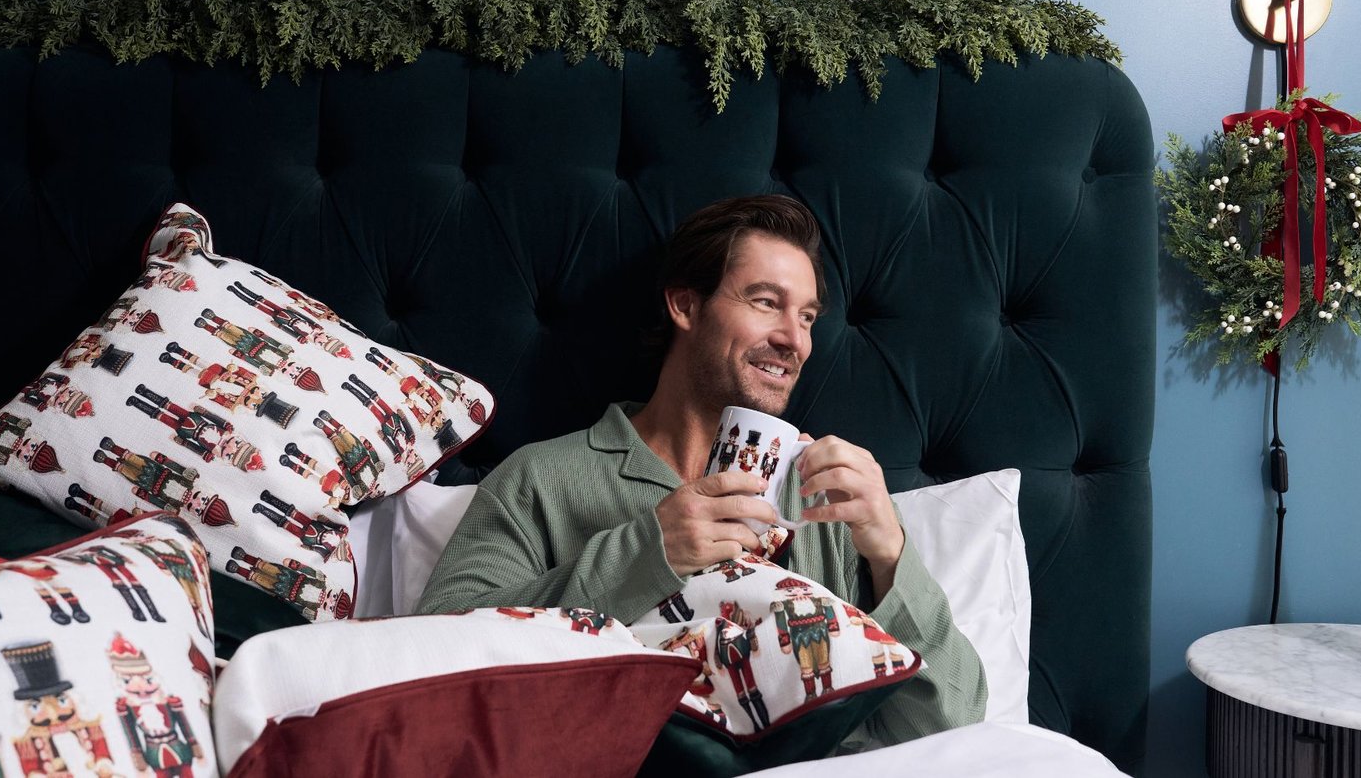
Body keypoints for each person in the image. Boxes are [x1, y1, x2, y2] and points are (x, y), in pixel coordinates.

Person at [416, 194, 986, 746]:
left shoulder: (824, 498)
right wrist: (646, 553)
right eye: (765, 302)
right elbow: (434, 660)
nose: (795, 340)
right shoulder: (542, 478)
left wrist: (890, 555)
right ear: (685, 306)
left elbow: (952, 723)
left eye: (808, 316)